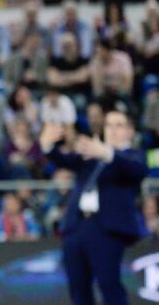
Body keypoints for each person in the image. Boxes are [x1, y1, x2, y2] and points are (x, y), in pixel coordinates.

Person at [40, 111, 148, 305]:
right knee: (78, 287)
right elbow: (65, 160)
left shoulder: (133, 155)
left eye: (119, 125)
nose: (113, 130)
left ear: (130, 131)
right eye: (109, 125)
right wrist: (47, 144)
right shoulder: (91, 156)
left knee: (108, 284)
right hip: (77, 226)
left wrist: (108, 153)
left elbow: (137, 170)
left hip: (106, 228)